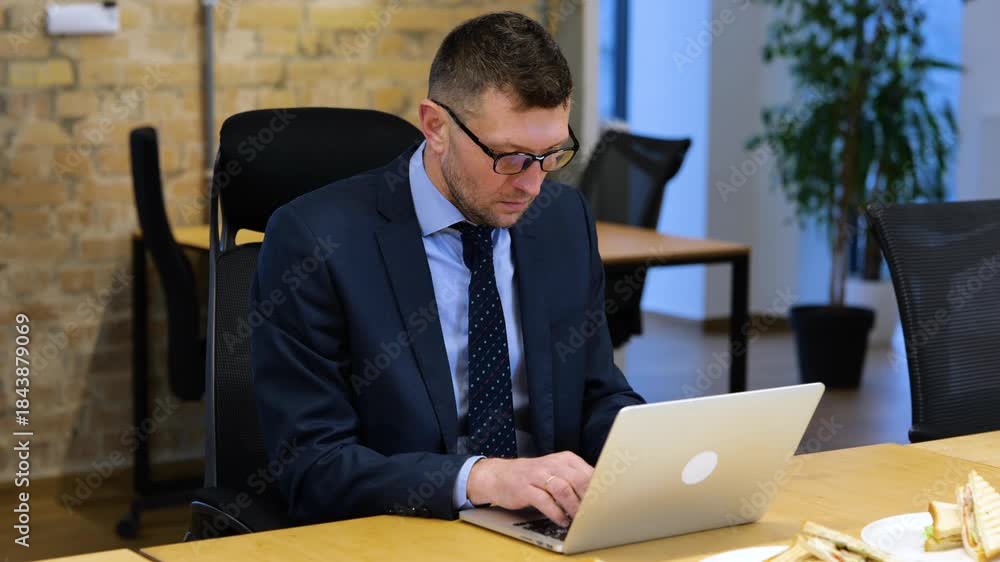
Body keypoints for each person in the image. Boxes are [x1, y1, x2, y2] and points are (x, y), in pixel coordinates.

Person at [250, 11, 645, 529]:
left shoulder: (562, 220)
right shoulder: (315, 241)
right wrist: (481, 478)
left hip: (543, 523)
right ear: (436, 127)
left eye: (551, 155)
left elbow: (596, 391)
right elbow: (313, 466)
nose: (532, 185)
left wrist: (651, 453)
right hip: (404, 527)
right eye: (510, 157)